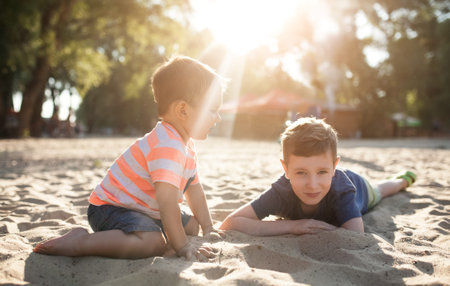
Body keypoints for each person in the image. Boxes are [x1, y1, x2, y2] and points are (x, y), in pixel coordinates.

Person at [34, 56, 226, 260]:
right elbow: (167, 202)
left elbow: (194, 188)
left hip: (143, 209)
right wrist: (182, 247)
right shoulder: (166, 146)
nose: (218, 117)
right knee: (153, 243)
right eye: (212, 110)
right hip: (111, 208)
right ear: (182, 110)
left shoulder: (185, 144)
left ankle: (155, 231)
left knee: (192, 226)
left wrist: (207, 227)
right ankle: (81, 242)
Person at [220, 117, 416, 235]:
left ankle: (402, 180)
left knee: (381, 190)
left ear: (334, 166)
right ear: (285, 169)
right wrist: (294, 226)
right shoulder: (281, 191)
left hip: (360, 187)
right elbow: (230, 223)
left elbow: (355, 233)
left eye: (322, 171)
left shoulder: (342, 191)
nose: (312, 185)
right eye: (301, 172)